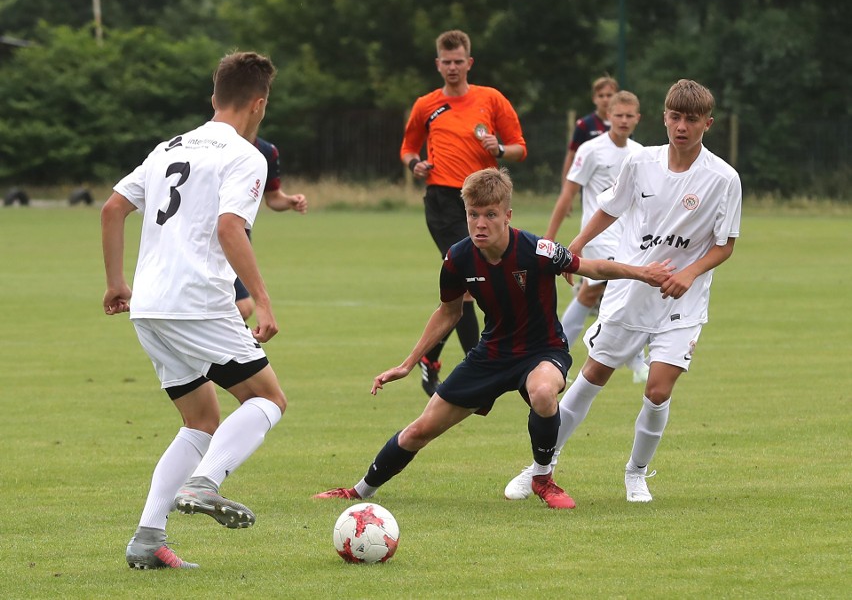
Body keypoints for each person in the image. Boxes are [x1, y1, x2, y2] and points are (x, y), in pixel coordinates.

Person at [313, 167, 674, 509]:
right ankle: (358, 491)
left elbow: (590, 266)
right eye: (473, 214)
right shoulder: (457, 259)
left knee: (544, 392)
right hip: (491, 355)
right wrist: (408, 364)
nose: (480, 224)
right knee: (418, 432)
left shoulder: (537, 251)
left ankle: (543, 478)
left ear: (507, 215)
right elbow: (448, 312)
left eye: (489, 215)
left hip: (542, 351)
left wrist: (642, 273)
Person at [504, 79, 742, 505]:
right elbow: (609, 209)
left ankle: (636, 472)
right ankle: (542, 466)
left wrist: (689, 274)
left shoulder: (723, 178)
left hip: (681, 301)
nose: (681, 127)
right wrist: (572, 249)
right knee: (593, 375)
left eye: (691, 119)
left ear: (708, 123)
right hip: (630, 290)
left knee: (658, 390)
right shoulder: (641, 163)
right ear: (664, 117)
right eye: (674, 117)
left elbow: (725, 245)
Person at [101, 51, 287, 570]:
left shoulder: (168, 148)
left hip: (150, 306)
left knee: (200, 418)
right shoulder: (247, 155)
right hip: (198, 303)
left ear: (213, 98)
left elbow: (113, 208)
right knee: (269, 399)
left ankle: (147, 539)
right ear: (260, 104)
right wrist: (263, 300)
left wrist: (118, 283)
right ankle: (206, 483)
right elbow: (231, 228)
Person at [400, 29, 527, 396]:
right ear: (438, 64)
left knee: (468, 287)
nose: (453, 67)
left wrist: (499, 149)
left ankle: (432, 356)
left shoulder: (491, 99)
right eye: (446, 61)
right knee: (470, 285)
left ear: (469, 63)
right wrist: (415, 165)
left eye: (459, 61)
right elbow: (408, 148)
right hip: (442, 201)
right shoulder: (427, 105)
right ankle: (480, 367)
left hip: (482, 201)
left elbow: (520, 148)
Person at [543, 91, 649, 389]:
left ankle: (554, 355)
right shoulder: (590, 150)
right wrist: (550, 239)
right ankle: (636, 360)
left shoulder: (640, 153)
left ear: (638, 119)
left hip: (630, 237)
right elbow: (568, 193)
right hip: (599, 236)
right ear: (608, 117)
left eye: (630, 116)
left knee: (592, 295)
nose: (624, 120)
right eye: (619, 115)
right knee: (621, 287)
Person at [234, 134, 308, 320]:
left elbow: (273, 198)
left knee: (241, 308)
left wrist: (289, 201)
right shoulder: (213, 145)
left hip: (237, 237)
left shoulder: (266, 151)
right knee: (241, 307)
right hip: (212, 237)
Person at [557, 75, 619, 209]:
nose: (605, 99)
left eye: (609, 95)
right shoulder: (584, 125)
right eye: (601, 95)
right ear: (594, 99)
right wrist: (566, 192)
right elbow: (571, 156)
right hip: (593, 187)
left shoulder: (623, 125)